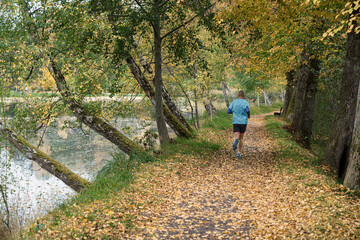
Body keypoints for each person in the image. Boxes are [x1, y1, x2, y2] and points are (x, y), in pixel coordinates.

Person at [227, 90, 250, 158]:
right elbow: (247, 110)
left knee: (236, 135)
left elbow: (228, 111)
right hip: (243, 122)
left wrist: (234, 112)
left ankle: (235, 141)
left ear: (238, 95)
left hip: (235, 121)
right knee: (241, 138)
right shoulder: (245, 102)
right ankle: (239, 153)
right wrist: (248, 115)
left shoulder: (234, 102)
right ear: (243, 96)